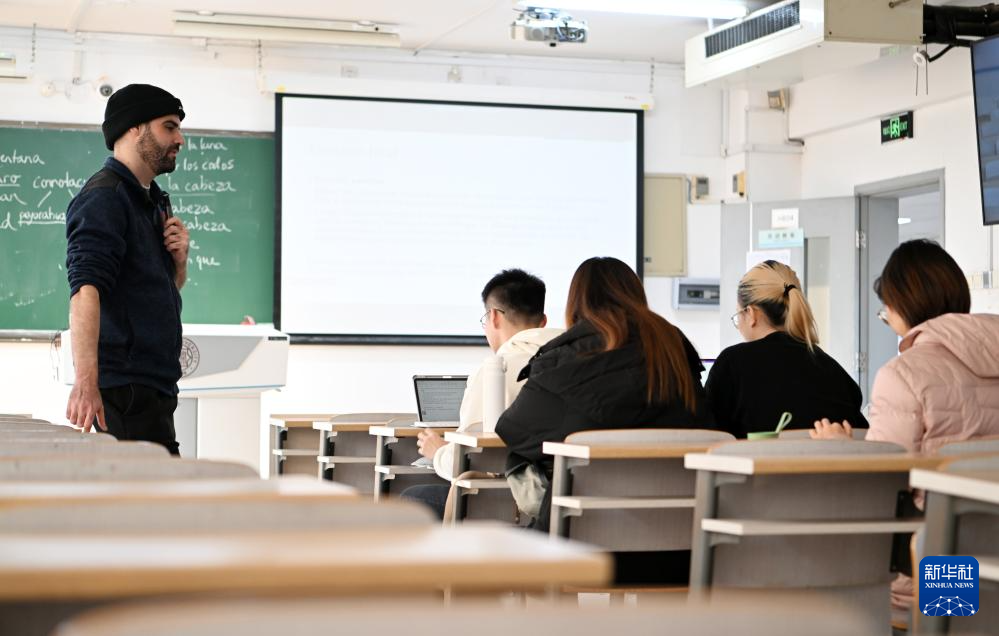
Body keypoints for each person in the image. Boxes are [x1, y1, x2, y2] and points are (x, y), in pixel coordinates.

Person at [811, 239, 999, 618]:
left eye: (887, 312)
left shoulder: (904, 374)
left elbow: (883, 483)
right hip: (992, 563)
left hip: (940, 570)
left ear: (902, 306)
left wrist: (845, 449)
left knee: (816, 580)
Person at [496, 256, 712, 539]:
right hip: (682, 546)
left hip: (578, 544)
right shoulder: (676, 354)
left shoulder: (559, 362)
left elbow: (513, 431)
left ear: (575, 303)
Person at [64, 84, 190, 455]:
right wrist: (86, 382)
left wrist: (179, 261)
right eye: (169, 127)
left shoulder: (153, 201)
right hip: (125, 389)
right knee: (150, 491)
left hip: (154, 387)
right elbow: (85, 289)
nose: (180, 139)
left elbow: (163, 290)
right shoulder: (105, 198)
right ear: (134, 128)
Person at [401, 269, 563, 519]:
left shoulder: (495, 370)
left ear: (494, 316)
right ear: (543, 322)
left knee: (412, 496)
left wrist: (438, 452)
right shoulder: (572, 360)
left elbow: (468, 462)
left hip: (512, 499)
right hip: (561, 493)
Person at [705, 260, 867, 437]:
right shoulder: (833, 370)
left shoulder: (732, 364)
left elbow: (709, 436)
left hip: (759, 456)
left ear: (751, 314)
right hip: (832, 455)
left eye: (738, 315)